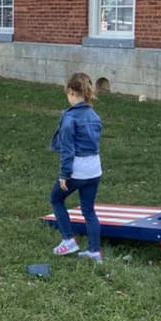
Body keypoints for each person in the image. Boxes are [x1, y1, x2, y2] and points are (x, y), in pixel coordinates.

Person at [49, 72, 105, 263]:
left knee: (56, 199)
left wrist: (64, 174)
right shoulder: (94, 115)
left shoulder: (69, 118)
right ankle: (94, 252)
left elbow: (68, 149)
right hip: (95, 169)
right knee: (88, 210)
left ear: (72, 92)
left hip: (77, 170)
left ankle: (68, 240)